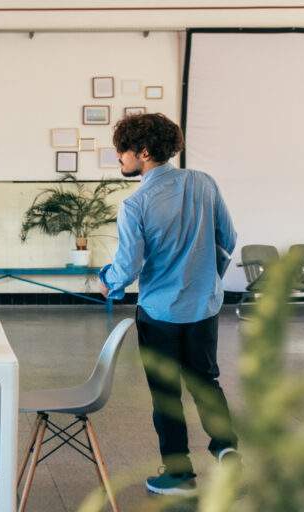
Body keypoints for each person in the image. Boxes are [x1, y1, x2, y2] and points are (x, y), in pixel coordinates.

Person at [99, 113, 240, 496]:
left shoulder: (135, 204)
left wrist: (107, 283)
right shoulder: (204, 183)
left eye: (122, 150)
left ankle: (179, 475)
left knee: (166, 395)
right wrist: (207, 279)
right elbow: (228, 238)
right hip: (203, 308)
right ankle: (227, 451)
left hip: (159, 314)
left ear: (143, 152)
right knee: (206, 382)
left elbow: (127, 267)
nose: (119, 158)